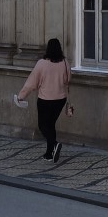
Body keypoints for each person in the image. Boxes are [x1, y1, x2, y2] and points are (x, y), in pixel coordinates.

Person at [17, 36, 72, 166]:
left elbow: (31, 83)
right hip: (60, 99)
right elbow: (68, 80)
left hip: (45, 99)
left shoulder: (41, 64)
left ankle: (54, 144)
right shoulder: (65, 63)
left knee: (43, 126)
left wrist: (21, 96)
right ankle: (49, 154)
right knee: (50, 125)